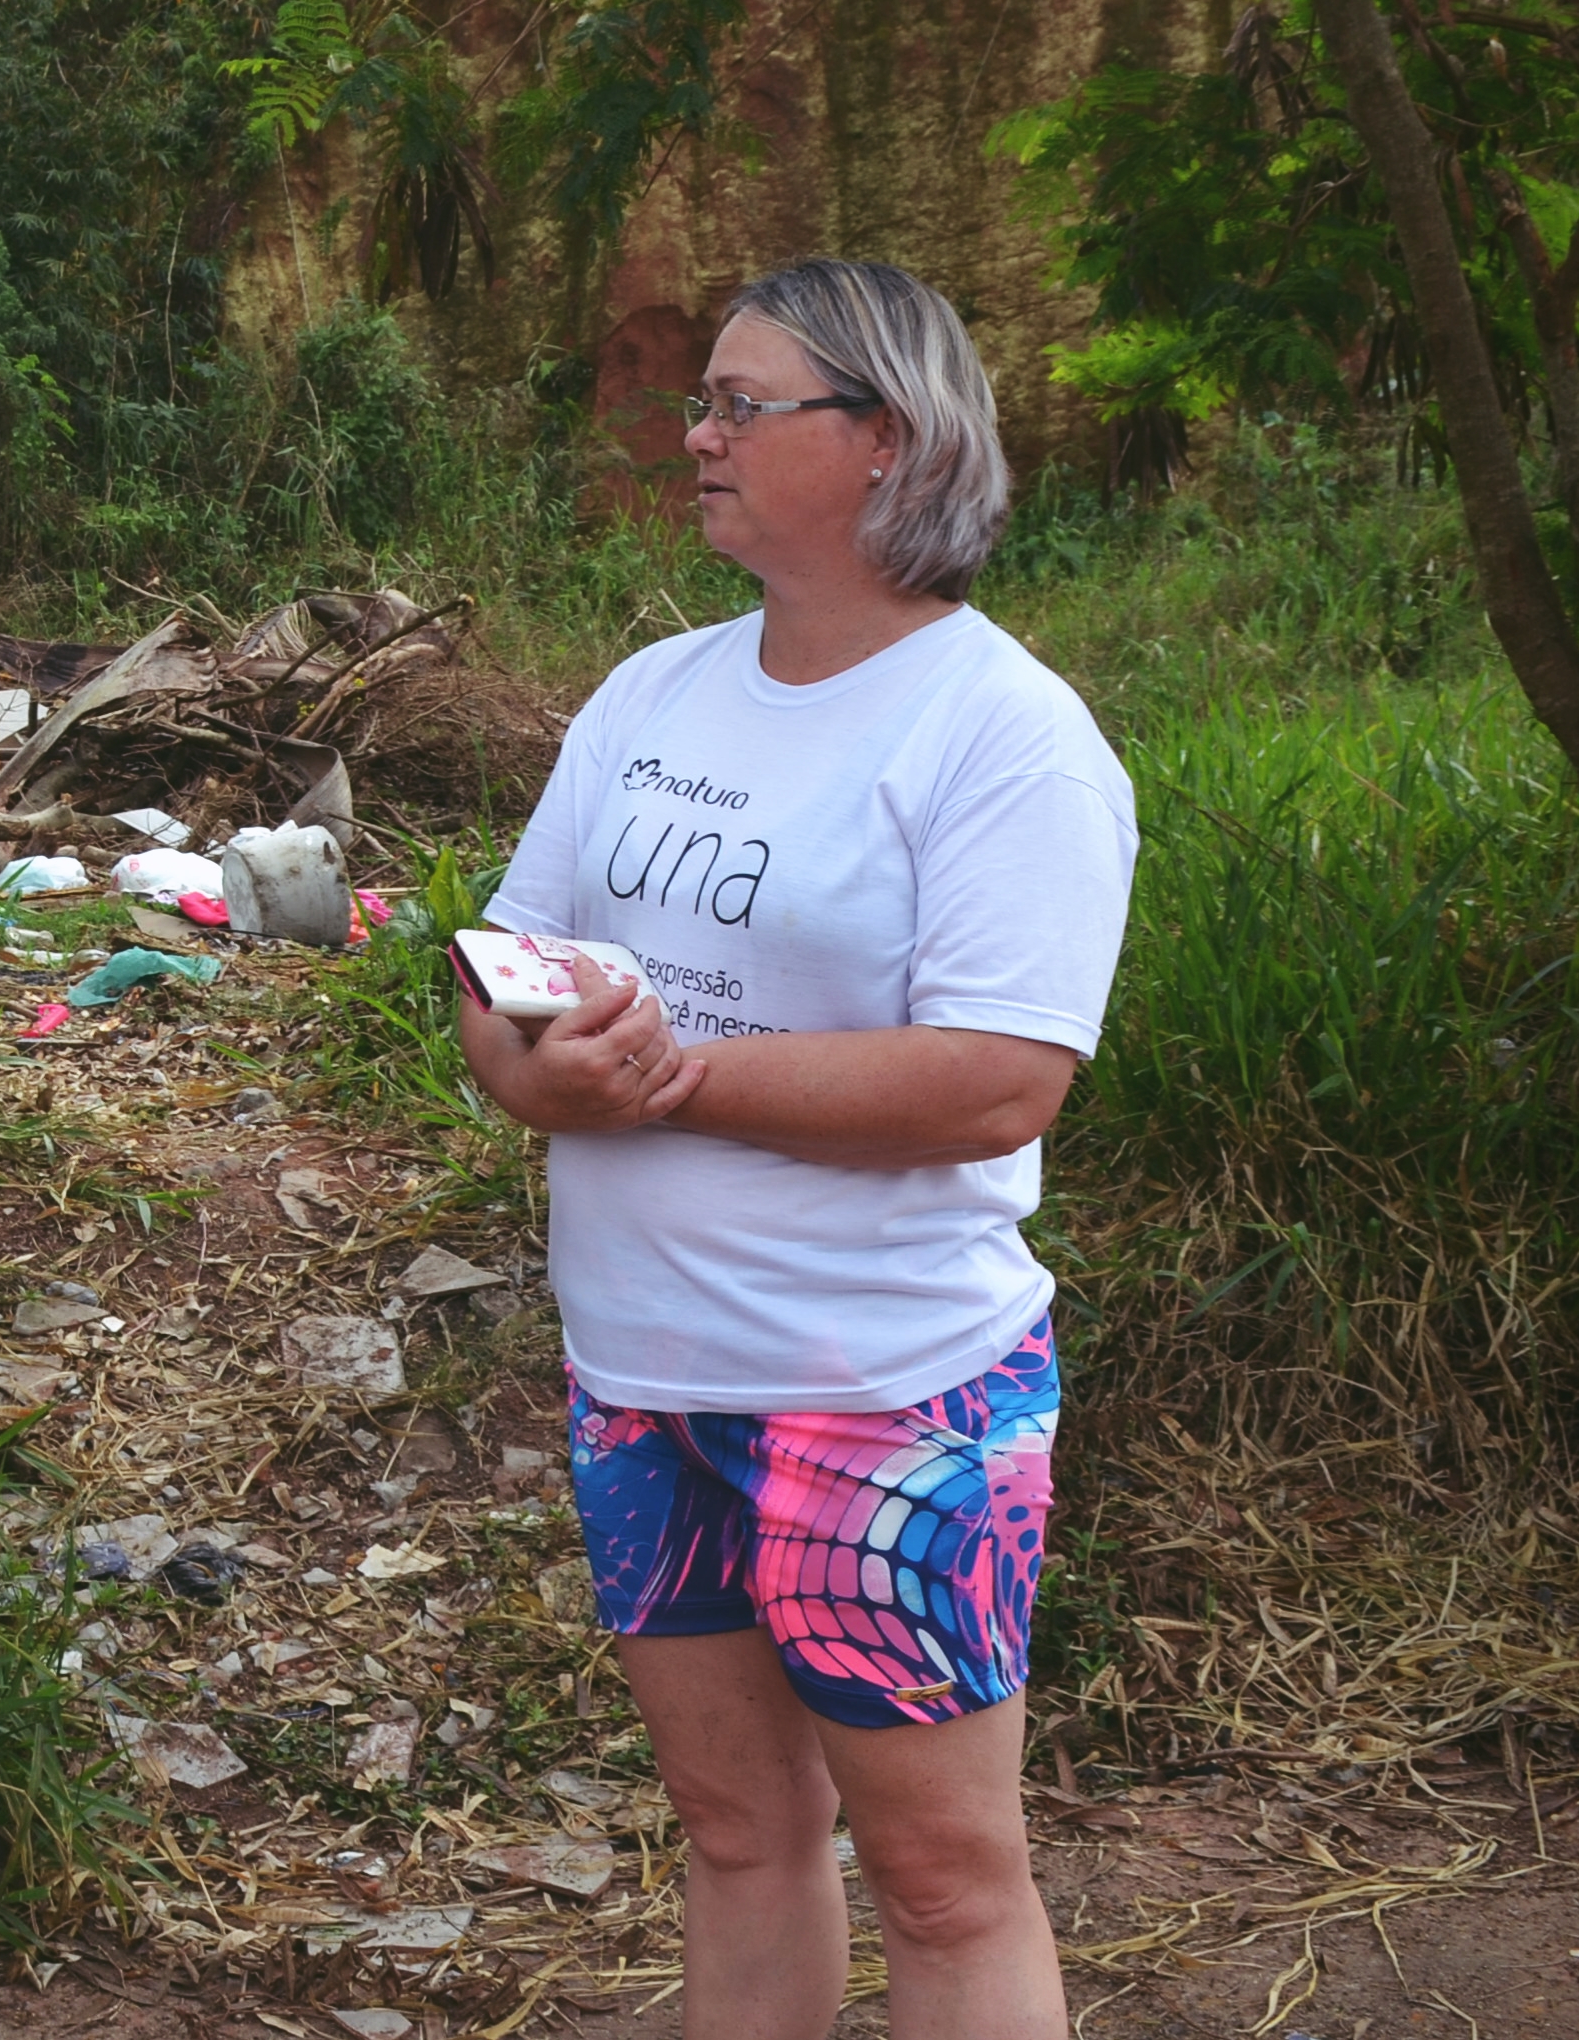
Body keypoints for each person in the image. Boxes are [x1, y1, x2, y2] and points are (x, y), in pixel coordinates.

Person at [458, 257, 1138, 2040]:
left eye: (742, 406)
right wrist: (535, 1079)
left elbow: (1000, 1080)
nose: (697, 435)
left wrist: (673, 1080)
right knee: (739, 1833)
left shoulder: (1003, 735)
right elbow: (505, 965)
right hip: (643, 1376)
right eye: (705, 400)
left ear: (887, 443)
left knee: (939, 1877)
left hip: (882, 1390)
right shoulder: (652, 695)